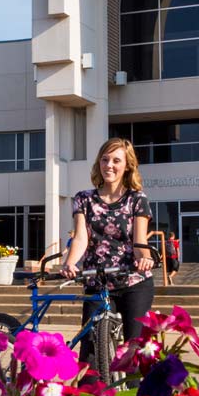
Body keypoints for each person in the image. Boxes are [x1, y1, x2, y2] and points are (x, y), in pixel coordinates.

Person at [61, 137, 155, 371]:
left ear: (127, 166)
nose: (109, 165)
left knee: (136, 350)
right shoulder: (84, 199)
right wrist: (70, 262)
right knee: (91, 354)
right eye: (105, 160)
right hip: (97, 281)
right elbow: (81, 237)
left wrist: (144, 257)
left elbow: (139, 241)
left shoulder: (137, 199)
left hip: (133, 280)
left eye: (116, 160)